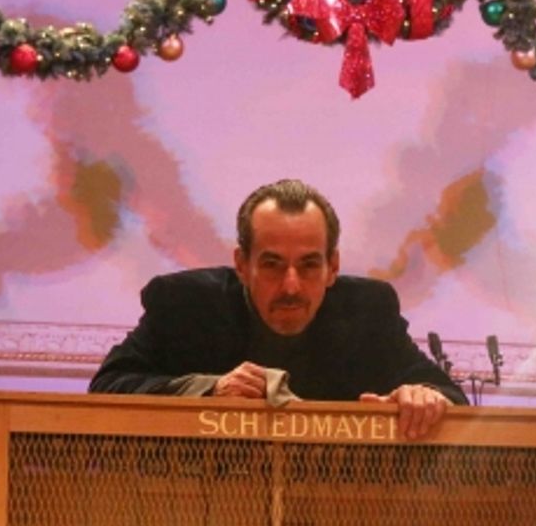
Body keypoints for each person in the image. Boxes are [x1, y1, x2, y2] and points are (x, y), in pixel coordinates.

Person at [91, 179, 467, 438]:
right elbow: (107, 389)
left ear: (332, 267)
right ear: (242, 264)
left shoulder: (369, 311)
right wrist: (208, 390)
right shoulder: (184, 304)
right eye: (271, 265)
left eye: (308, 266)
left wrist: (422, 397)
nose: (291, 285)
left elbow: (450, 397)